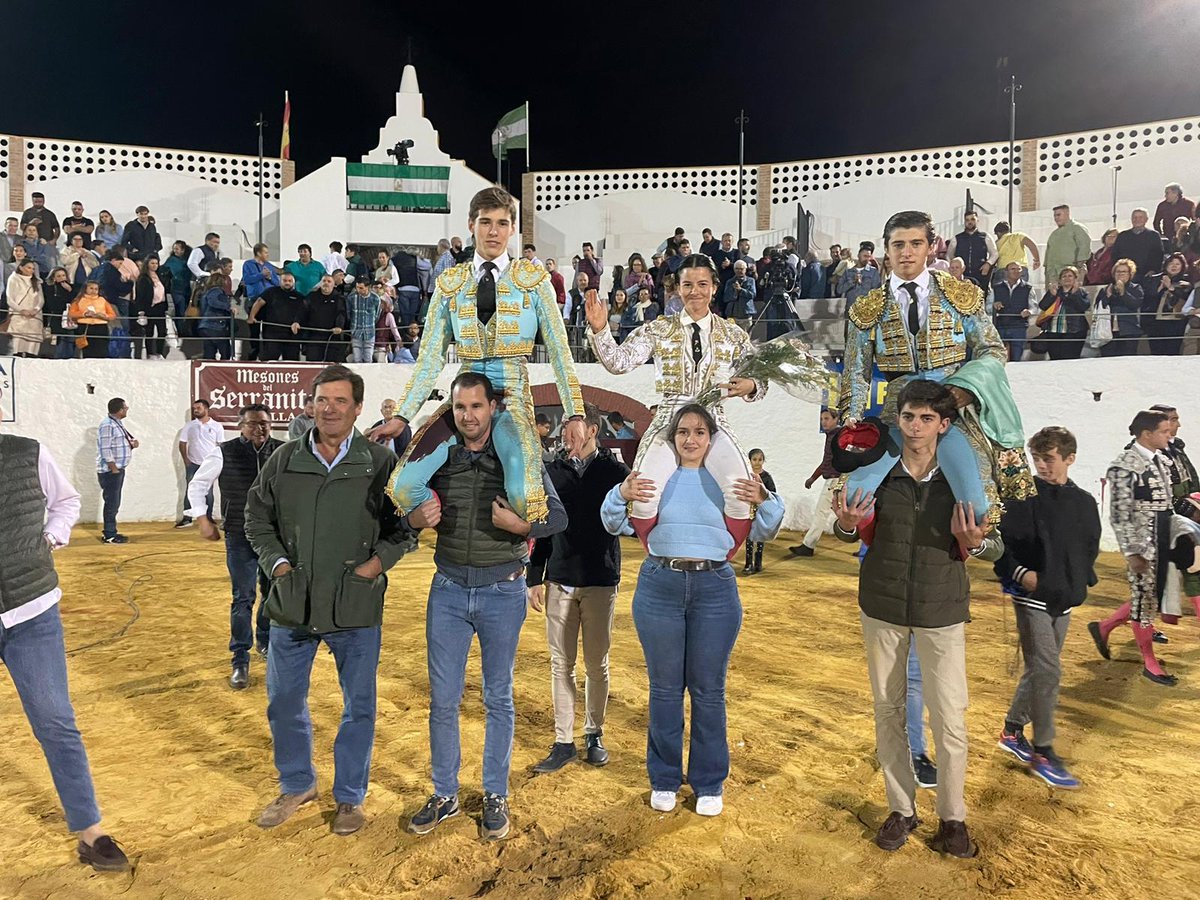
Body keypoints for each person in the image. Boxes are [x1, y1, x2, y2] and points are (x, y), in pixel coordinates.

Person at [834, 380, 1002, 858]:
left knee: (949, 718)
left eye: (927, 419)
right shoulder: (878, 473)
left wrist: (976, 543)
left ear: (944, 425)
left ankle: (953, 817)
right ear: (899, 419)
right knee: (887, 712)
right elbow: (851, 532)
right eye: (909, 417)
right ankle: (901, 808)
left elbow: (994, 545)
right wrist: (846, 526)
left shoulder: (965, 481)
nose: (915, 427)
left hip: (941, 609)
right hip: (883, 606)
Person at [244, 365, 408, 836]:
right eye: (322, 400)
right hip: (293, 605)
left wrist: (373, 568)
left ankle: (350, 799)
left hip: (354, 607)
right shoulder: (283, 458)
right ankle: (297, 784)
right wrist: (277, 565)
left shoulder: (379, 464)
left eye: (340, 401)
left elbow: (403, 531)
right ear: (310, 404)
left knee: (359, 706)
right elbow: (257, 518)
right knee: (282, 701)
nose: (329, 409)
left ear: (358, 408)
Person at [404, 372, 568, 842]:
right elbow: (400, 508)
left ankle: (495, 792)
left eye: (476, 407)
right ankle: (445, 792)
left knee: (498, 697)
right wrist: (415, 519)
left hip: (503, 590)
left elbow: (557, 517)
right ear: (451, 412)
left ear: (492, 408)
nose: (468, 416)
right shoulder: (440, 458)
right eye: (460, 408)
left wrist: (521, 527)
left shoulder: (519, 458)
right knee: (443, 699)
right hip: (449, 589)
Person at [601, 403, 784, 816]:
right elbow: (615, 524)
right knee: (664, 690)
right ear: (673, 436)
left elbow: (763, 529)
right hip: (659, 585)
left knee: (708, 692)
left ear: (711, 437)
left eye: (700, 432)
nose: (690, 439)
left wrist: (766, 499)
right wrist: (620, 494)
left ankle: (708, 782)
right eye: (683, 431)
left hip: (715, 587)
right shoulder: (656, 477)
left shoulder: (728, 479)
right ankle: (664, 778)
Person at [373, 187, 583, 526]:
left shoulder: (534, 281)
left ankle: (513, 551)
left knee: (524, 496)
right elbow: (429, 359)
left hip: (510, 398)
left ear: (512, 228)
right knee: (403, 487)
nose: (494, 232)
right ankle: (454, 515)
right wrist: (401, 415)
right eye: (486, 222)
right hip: (464, 399)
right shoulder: (449, 282)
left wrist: (575, 414)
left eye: (502, 223)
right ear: (472, 224)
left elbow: (560, 351)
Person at [586, 254, 808, 551]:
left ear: (714, 287)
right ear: (677, 288)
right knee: (643, 494)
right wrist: (601, 330)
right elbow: (618, 362)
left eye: (702, 284)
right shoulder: (659, 328)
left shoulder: (733, 334)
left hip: (713, 421)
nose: (695, 291)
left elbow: (760, 382)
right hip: (668, 421)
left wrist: (751, 384)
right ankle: (657, 547)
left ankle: (724, 551)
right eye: (688, 284)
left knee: (741, 489)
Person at [0, 391, 131, 871]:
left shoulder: (26, 452)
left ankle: (90, 830)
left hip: (32, 609)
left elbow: (66, 501)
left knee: (56, 721)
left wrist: (53, 536)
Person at [840, 210, 1032, 532]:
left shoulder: (960, 294)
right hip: (898, 412)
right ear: (886, 249)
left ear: (931, 247)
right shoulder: (867, 306)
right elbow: (856, 371)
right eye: (898, 244)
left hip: (949, 408)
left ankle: (979, 544)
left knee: (980, 506)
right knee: (852, 496)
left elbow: (992, 349)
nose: (906, 252)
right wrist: (852, 419)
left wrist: (968, 389)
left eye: (916, 243)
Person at [994, 427, 1100, 789]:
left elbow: (1090, 546)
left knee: (1040, 670)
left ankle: (1011, 731)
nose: (1042, 465)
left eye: (1049, 458)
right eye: (1037, 458)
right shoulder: (1022, 499)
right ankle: (1043, 751)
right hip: (1030, 597)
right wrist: (1021, 574)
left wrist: (1079, 579)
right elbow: (1001, 546)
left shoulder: (1084, 502)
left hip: (1064, 598)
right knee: (1048, 671)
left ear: (1069, 458)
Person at [527, 403, 629, 773]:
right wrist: (534, 577)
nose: (566, 435)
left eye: (573, 428)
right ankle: (563, 740)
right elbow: (543, 527)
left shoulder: (615, 472)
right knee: (560, 664)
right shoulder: (551, 472)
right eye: (564, 428)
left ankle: (594, 732)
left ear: (592, 432)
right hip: (560, 578)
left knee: (596, 664)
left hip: (601, 579)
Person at [187, 404, 284, 689]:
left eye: (265, 423)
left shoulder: (283, 451)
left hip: (274, 536)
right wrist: (203, 518)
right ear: (241, 426)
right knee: (242, 598)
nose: (260, 428)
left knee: (271, 592)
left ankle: (264, 639)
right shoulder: (222, 452)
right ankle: (240, 658)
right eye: (253, 423)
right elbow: (198, 485)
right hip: (239, 534)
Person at [1088, 410, 1178, 685]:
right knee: (1144, 599)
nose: (1170, 434)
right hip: (1143, 544)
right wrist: (1132, 552)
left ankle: (1104, 627)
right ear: (1147, 434)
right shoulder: (1125, 465)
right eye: (1164, 431)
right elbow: (1120, 513)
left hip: (1163, 538)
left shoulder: (1160, 459)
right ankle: (1149, 663)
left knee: (1153, 594)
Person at [790, 407, 840, 558]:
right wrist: (813, 478)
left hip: (836, 479)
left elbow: (836, 461)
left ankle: (808, 545)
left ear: (836, 419)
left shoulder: (837, 436)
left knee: (821, 512)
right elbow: (826, 461)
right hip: (837, 478)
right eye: (822, 419)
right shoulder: (832, 435)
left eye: (827, 418)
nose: (823, 422)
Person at [96, 398, 139, 544]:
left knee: (114, 503)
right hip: (111, 471)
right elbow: (105, 448)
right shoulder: (107, 425)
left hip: (117, 469)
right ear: (120, 410)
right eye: (125, 407)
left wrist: (132, 444)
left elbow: (116, 444)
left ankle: (111, 532)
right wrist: (113, 468)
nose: (127, 409)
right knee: (111, 503)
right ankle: (109, 535)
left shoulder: (116, 423)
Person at [176, 399, 225, 527]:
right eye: (194, 408)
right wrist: (186, 460)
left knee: (208, 491)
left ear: (206, 409)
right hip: (193, 463)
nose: (195, 410)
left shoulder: (217, 426)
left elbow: (221, 445)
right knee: (190, 490)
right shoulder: (189, 425)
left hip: (209, 464)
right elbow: (182, 443)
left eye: (198, 408)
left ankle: (208, 518)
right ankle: (187, 518)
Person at [1142, 252, 1192, 356]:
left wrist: (1171, 288)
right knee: (1156, 352)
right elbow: (1147, 298)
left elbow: (1184, 298)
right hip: (1155, 322)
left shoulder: (1186, 283)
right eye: (1171, 263)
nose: (1174, 266)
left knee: (1172, 352)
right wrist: (1160, 288)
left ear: (1182, 266)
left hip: (1176, 323)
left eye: (1177, 264)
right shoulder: (1154, 279)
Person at [1035, 266, 1090, 360]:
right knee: (1055, 360)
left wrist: (1074, 293)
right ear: (1060, 280)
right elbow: (1043, 306)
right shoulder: (1055, 291)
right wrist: (1051, 295)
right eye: (1064, 276)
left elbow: (1084, 306)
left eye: (1070, 276)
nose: (1067, 278)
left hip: (1074, 332)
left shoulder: (1080, 292)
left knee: (1070, 359)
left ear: (1075, 279)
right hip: (1053, 332)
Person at [250, 271, 306, 362]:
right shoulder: (271, 292)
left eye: (290, 281)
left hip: (292, 336)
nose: (287, 283)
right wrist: (251, 316)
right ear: (280, 281)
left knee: (291, 363)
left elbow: (304, 314)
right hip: (272, 335)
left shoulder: (300, 297)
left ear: (293, 282)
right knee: (269, 361)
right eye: (284, 280)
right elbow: (259, 302)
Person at [742, 448, 778, 574]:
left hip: (761, 510)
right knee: (750, 537)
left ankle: (758, 562)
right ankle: (748, 563)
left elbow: (772, 493)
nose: (757, 462)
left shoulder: (767, 477)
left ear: (763, 460)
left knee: (760, 536)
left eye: (760, 459)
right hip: (749, 510)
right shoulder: (746, 475)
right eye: (754, 459)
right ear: (750, 460)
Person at [1110, 208, 1164, 289]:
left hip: (1146, 275)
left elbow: (1158, 255)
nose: (1137, 220)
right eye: (1135, 217)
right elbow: (1115, 255)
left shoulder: (1154, 235)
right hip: (1127, 276)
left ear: (1146, 219)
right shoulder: (1123, 236)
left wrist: (1153, 270)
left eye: (1140, 217)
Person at [1043, 205, 1091, 292]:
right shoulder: (1053, 234)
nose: (1056, 218)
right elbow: (1048, 256)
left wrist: (1078, 269)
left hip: (1071, 274)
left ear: (1067, 214)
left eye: (1058, 215)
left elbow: (1084, 247)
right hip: (1053, 275)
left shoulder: (1077, 228)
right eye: (1054, 216)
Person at [992, 261, 1034, 362]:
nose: (1016, 271)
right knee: (998, 358)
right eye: (1012, 269)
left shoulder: (1028, 288)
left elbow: (1034, 307)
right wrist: (994, 305)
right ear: (1006, 272)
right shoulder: (996, 287)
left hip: (1019, 326)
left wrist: (1029, 311)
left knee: (1017, 358)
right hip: (1001, 325)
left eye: (1018, 269)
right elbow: (988, 307)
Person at [132, 256, 170, 359]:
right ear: (147, 264)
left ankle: (159, 352)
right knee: (150, 331)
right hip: (149, 308)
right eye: (152, 263)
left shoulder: (160, 276)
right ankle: (150, 353)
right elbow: (140, 295)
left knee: (162, 331)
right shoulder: (143, 278)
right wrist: (141, 311)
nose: (154, 266)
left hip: (160, 307)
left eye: (156, 263)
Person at [68, 281, 118, 359]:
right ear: (85, 289)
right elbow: (71, 313)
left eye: (96, 289)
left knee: (101, 351)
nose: (93, 291)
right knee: (86, 352)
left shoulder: (103, 300)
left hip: (101, 328)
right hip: (84, 328)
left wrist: (103, 316)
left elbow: (112, 315)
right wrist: (84, 314)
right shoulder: (78, 300)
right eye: (91, 288)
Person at [5, 259, 44, 357]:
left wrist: (36, 309)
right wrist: (21, 310)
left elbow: (41, 299)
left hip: (35, 317)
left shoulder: (37, 281)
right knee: (17, 346)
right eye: (29, 267)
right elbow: (10, 298)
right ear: (21, 268)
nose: (31, 270)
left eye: (33, 268)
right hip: (19, 317)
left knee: (32, 349)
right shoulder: (13, 279)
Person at [945, 212, 997, 286]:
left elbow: (995, 253)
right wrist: (954, 269)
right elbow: (949, 256)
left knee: (980, 296)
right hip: (962, 275)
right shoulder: (957, 238)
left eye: (972, 219)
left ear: (977, 220)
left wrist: (988, 264)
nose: (970, 222)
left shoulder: (985, 237)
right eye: (967, 220)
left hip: (981, 274)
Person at [197, 271, 234, 359]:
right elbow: (213, 302)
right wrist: (228, 307)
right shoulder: (216, 291)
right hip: (215, 325)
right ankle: (224, 371)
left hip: (205, 326)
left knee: (209, 353)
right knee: (225, 351)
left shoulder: (206, 292)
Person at [44, 267, 77, 359]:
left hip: (70, 319)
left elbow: (75, 302)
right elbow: (51, 305)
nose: (62, 278)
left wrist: (70, 290)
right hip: (58, 319)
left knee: (70, 341)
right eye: (59, 276)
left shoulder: (72, 288)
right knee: (61, 343)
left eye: (63, 275)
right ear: (54, 278)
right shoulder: (50, 289)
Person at [347, 279, 381, 363]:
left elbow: (377, 315)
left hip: (369, 331)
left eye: (361, 288)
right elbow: (348, 313)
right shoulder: (351, 297)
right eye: (357, 287)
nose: (358, 290)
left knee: (368, 358)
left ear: (368, 287)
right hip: (355, 331)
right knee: (357, 358)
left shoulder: (375, 298)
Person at [720, 259, 757, 328]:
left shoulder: (751, 281)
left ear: (745, 270)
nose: (739, 271)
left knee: (746, 336)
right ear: (734, 270)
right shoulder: (730, 282)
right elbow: (726, 297)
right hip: (732, 314)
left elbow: (752, 295)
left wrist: (741, 290)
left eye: (741, 269)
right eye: (737, 269)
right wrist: (735, 292)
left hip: (745, 313)